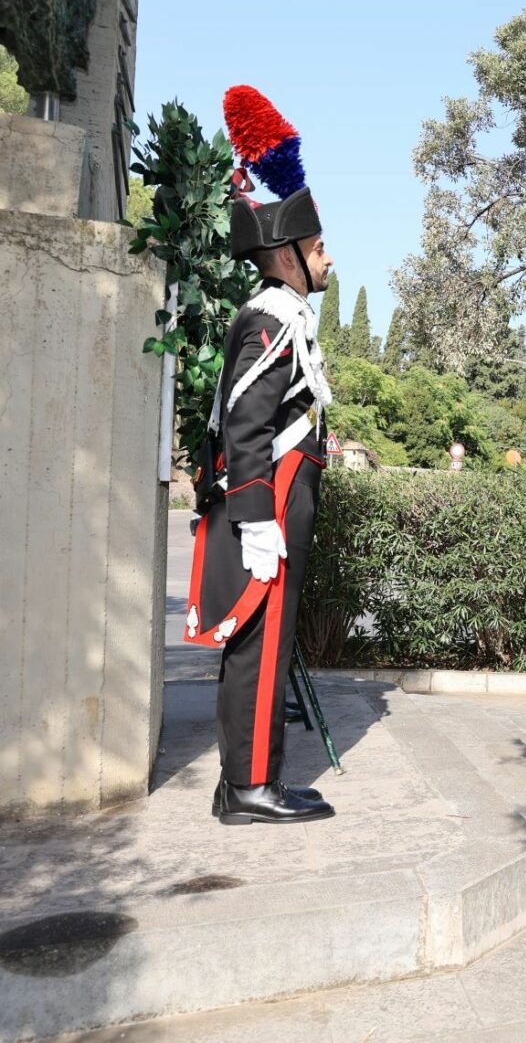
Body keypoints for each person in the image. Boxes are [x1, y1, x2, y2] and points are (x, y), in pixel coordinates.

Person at [183, 86, 336, 824]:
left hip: (278, 495)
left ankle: (252, 776)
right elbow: (244, 425)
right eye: (317, 248)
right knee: (261, 642)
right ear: (287, 255)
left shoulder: (283, 314)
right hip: (268, 499)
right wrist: (255, 520)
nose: (328, 257)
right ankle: (249, 787)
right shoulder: (273, 316)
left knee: (267, 645)